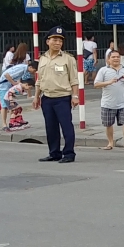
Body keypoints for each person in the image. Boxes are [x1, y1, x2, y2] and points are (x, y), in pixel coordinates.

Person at [33, 27, 79, 163]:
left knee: (66, 126)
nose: (57, 43)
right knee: (50, 127)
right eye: (54, 39)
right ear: (48, 41)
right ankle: (54, 153)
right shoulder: (42, 58)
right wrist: (36, 96)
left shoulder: (68, 59)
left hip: (62, 97)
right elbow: (39, 79)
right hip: (47, 97)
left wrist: (75, 96)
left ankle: (69, 153)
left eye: (60, 40)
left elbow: (74, 79)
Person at [94, 50, 124, 151]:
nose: (116, 59)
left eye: (117, 57)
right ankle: (110, 143)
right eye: (113, 57)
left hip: (123, 102)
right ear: (108, 59)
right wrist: (108, 82)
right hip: (108, 103)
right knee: (108, 124)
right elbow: (96, 84)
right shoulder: (103, 70)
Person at [0, 45, 34, 130]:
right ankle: (5, 124)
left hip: (8, 87)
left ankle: (14, 121)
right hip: (3, 86)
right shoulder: (21, 66)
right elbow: (7, 74)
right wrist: (14, 83)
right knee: (5, 106)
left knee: (12, 106)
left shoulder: (20, 64)